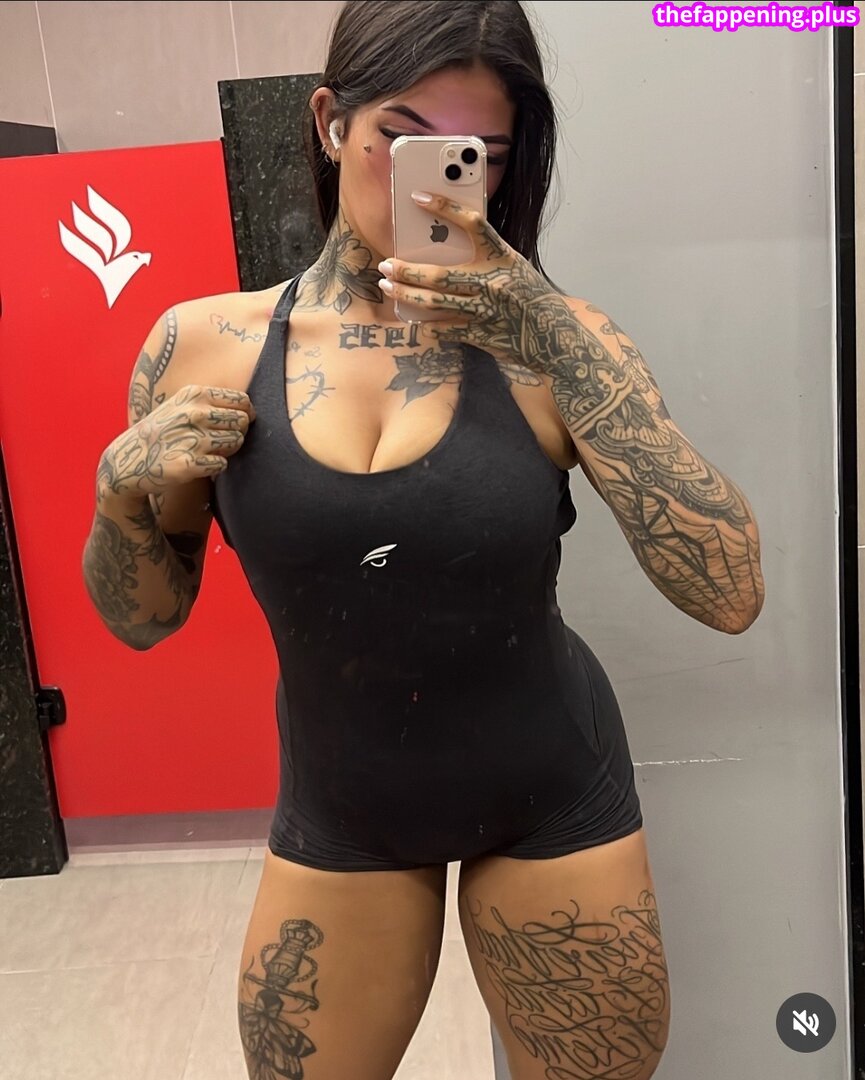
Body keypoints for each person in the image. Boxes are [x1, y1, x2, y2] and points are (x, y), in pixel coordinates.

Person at [82, 2, 765, 1077]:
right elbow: (142, 622)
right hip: (342, 807)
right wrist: (119, 492)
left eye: (478, 154)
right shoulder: (202, 344)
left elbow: (728, 593)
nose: (440, 181)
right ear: (328, 121)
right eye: (402, 139)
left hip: (548, 794)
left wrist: (559, 345)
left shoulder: (558, 346)